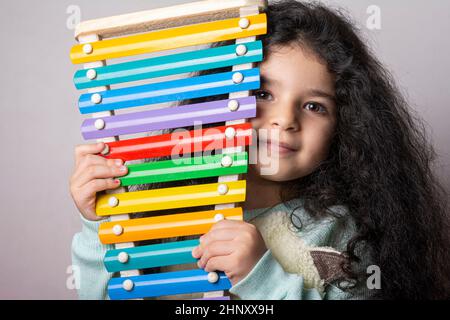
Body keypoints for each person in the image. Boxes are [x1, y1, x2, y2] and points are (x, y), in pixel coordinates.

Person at [70, 0, 450, 300]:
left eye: (314, 106)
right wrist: (101, 224)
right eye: (263, 93)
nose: (284, 120)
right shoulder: (166, 208)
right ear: (221, 99)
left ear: (345, 126)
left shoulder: (340, 234)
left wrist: (261, 278)